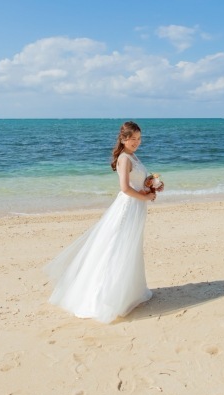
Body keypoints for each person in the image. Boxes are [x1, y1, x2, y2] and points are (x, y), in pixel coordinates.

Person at [44, 121, 163, 323]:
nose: (136, 142)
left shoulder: (133, 156)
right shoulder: (124, 158)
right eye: (132, 139)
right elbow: (125, 188)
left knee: (130, 247)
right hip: (127, 207)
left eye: (139, 139)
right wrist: (145, 197)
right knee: (116, 247)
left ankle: (129, 291)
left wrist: (151, 185)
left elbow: (137, 181)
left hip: (136, 206)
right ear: (123, 139)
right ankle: (104, 296)